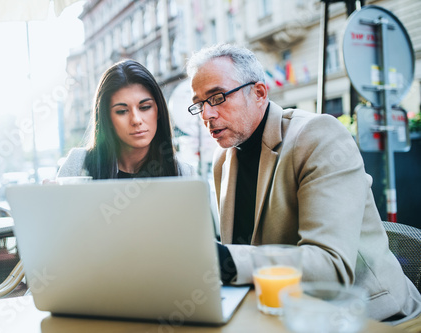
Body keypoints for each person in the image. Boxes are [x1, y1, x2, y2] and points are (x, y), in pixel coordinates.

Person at [186, 43, 421, 325]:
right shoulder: (223, 157)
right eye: (199, 104)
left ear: (259, 93)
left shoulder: (318, 136)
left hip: (369, 318)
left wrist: (223, 260)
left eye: (218, 97)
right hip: (278, 313)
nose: (206, 115)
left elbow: (330, 266)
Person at [57, 59, 193, 179]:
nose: (136, 120)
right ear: (107, 118)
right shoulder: (78, 165)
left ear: (158, 111)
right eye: (122, 111)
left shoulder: (182, 173)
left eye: (145, 107)